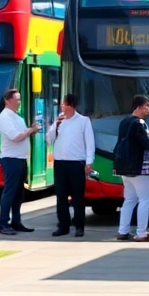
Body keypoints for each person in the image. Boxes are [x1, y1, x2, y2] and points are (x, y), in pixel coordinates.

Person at [114, 94, 149, 242]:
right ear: (139, 107)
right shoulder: (139, 123)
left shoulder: (124, 122)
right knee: (145, 199)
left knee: (129, 200)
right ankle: (141, 233)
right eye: (147, 106)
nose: (148, 109)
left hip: (125, 168)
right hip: (140, 168)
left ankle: (123, 231)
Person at [47, 93, 95, 237]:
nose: (62, 106)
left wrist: (89, 161)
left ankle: (79, 226)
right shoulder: (60, 121)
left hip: (76, 163)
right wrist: (55, 125)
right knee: (61, 196)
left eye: (65, 104)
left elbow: (90, 142)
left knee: (77, 197)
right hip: (60, 163)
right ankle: (63, 225)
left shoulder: (83, 121)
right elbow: (49, 139)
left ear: (72, 106)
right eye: (62, 104)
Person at [0, 88, 39, 236]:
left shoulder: (17, 117)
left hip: (20, 159)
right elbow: (15, 136)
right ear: (8, 100)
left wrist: (30, 131)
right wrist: (30, 130)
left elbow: (23, 134)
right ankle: (3, 223)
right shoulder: (5, 117)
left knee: (18, 193)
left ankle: (16, 221)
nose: (19, 102)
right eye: (17, 99)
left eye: (20, 99)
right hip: (11, 159)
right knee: (9, 191)